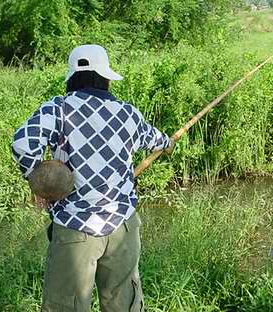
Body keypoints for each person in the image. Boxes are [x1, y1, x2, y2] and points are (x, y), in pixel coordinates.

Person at [11, 44, 174, 312]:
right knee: (124, 305)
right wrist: (168, 143)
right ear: (106, 78)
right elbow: (157, 139)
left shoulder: (59, 109)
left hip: (74, 228)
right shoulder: (128, 113)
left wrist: (39, 183)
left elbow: (23, 144)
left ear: (72, 77)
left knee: (66, 307)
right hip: (123, 226)